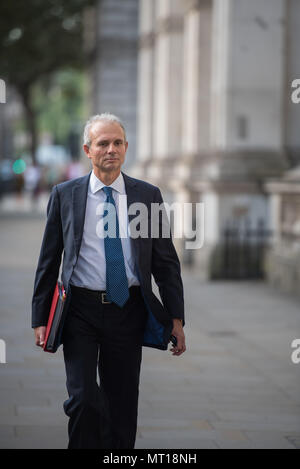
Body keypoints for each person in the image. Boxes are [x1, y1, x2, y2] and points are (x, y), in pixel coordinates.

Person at [31, 113, 186, 449]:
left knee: (122, 405)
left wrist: (176, 317)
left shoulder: (147, 195)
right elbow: (48, 259)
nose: (111, 149)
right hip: (79, 311)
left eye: (117, 143)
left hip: (127, 310)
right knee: (84, 399)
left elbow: (166, 262)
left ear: (126, 148)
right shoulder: (64, 195)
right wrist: (39, 316)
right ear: (88, 149)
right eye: (103, 143)